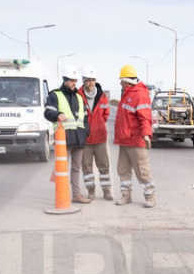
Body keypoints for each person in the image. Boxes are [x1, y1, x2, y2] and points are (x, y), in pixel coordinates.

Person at [44, 67, 91, 204]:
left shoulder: (79, 97)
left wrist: (86, 132)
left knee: (76, 168)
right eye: (71, 81)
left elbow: (85, 118)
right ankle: (61, 196)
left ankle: (76, 195)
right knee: (61, 169)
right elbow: (47, 112)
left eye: (75, 81)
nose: (74, 83)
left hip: (79, 139)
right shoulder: (55, 95)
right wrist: (57, 114)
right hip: (63, 139)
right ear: (65, 80)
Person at [114, 65, 156, 208]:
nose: (120, 83)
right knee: (123, 170)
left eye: (121, 81)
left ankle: (150, 196)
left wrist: (146, 134)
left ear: (127, 81)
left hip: (136, 140)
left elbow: (145, 117)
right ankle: (126, 196)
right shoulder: (127, 94)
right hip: (124, 140)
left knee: (142, 170)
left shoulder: (139, 94)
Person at [79, 68, 113, 201]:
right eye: (88, 80)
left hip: (100, 139)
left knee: (104, 166)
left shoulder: (102, 97)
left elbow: (106, 115)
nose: (91, 83)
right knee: (87, 168)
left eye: (93, 80)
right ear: (84, 81)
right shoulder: (78, 96)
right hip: (85, 140)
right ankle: (91, 191)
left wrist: (97, 126)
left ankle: (106, 191)